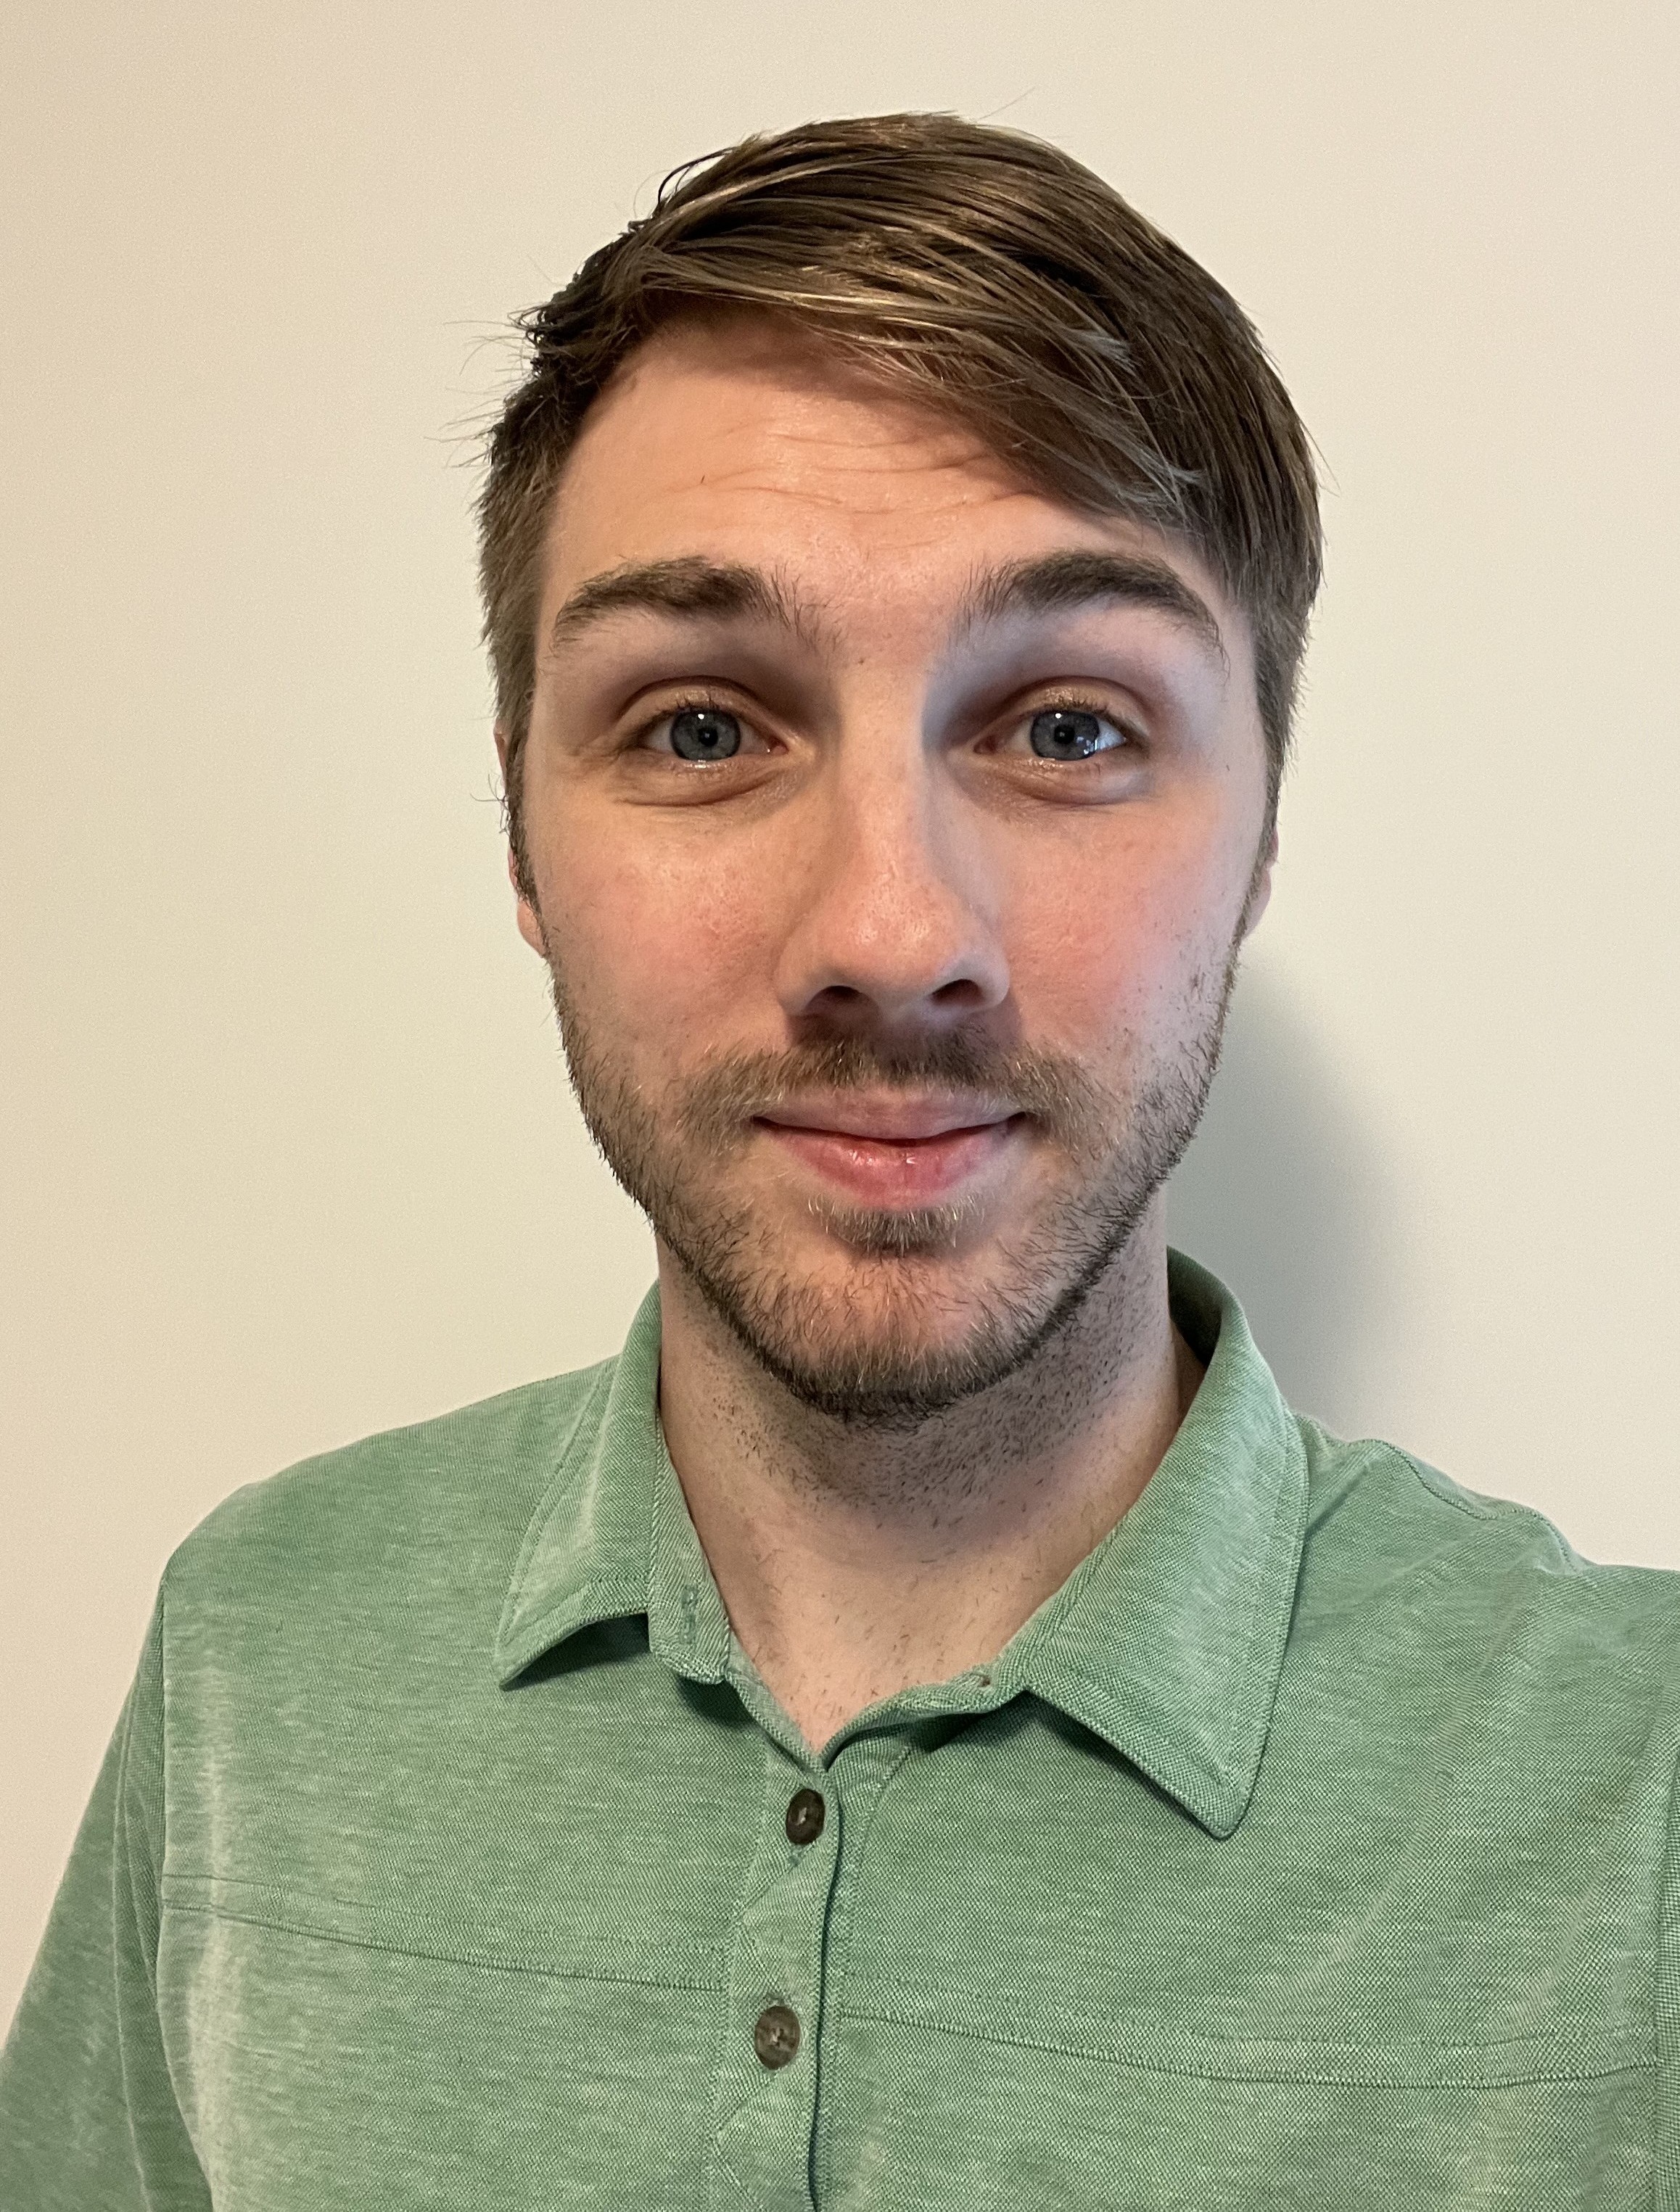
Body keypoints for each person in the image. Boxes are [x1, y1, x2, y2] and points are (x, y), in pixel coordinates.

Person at [2, 110, 1675, 2210]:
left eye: (1068, 724)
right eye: (702, 723)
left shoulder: (1637, 1793)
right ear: (523, 834)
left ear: (1258, 833)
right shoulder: (258, 1651)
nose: (890, 934)